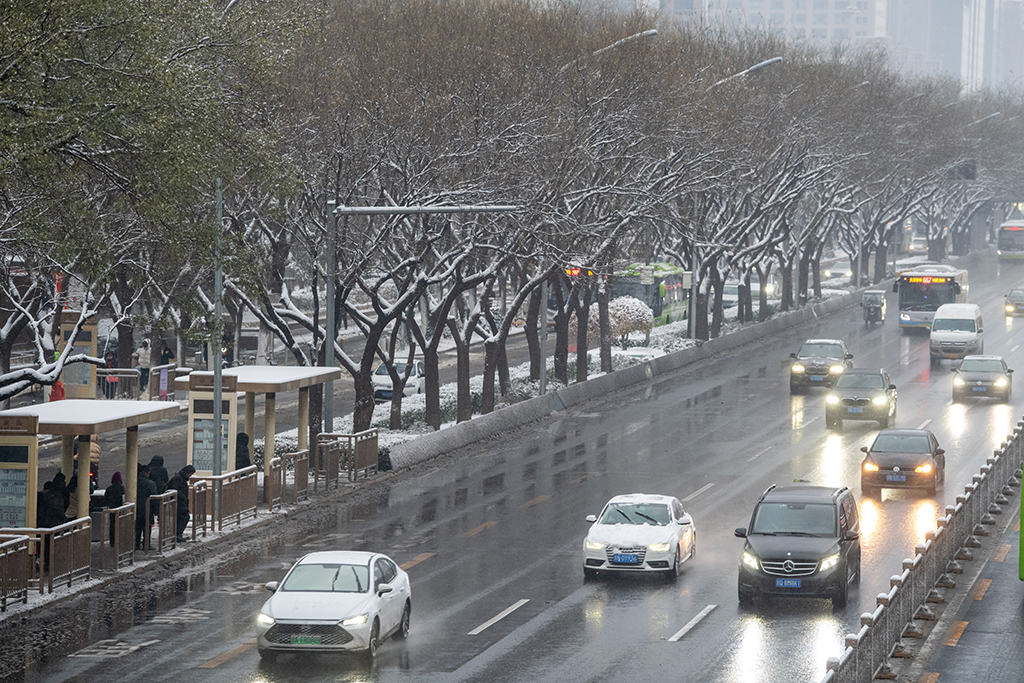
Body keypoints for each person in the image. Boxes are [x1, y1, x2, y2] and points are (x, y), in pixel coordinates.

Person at [167, 465, 196, 542]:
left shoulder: (180, 478)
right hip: (179, 501)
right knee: (184, 517)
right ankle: (178, 534)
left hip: (181, 501)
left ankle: (178, 534)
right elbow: (175, 489)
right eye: (190, 474)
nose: (190, 476)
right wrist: (182, 497)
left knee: (182, 517)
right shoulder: (178, 478)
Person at [135, 465, 158, 550]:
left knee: (137, 528)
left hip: (136, 508)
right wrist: (157, 511)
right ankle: (146, 545)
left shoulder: (134, 481)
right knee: (147, 528)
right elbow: (154, 498)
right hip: (147, 509)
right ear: (147, 473)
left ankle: (136, 544)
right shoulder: (150, 483)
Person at [104, 472, 126, 542]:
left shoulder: (109, 489)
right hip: (120, 509)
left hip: (112, 509)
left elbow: (105, 499)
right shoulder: (122, 488)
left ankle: (112, 540)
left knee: (112, 525)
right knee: (120, 524)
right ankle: (119, 539)